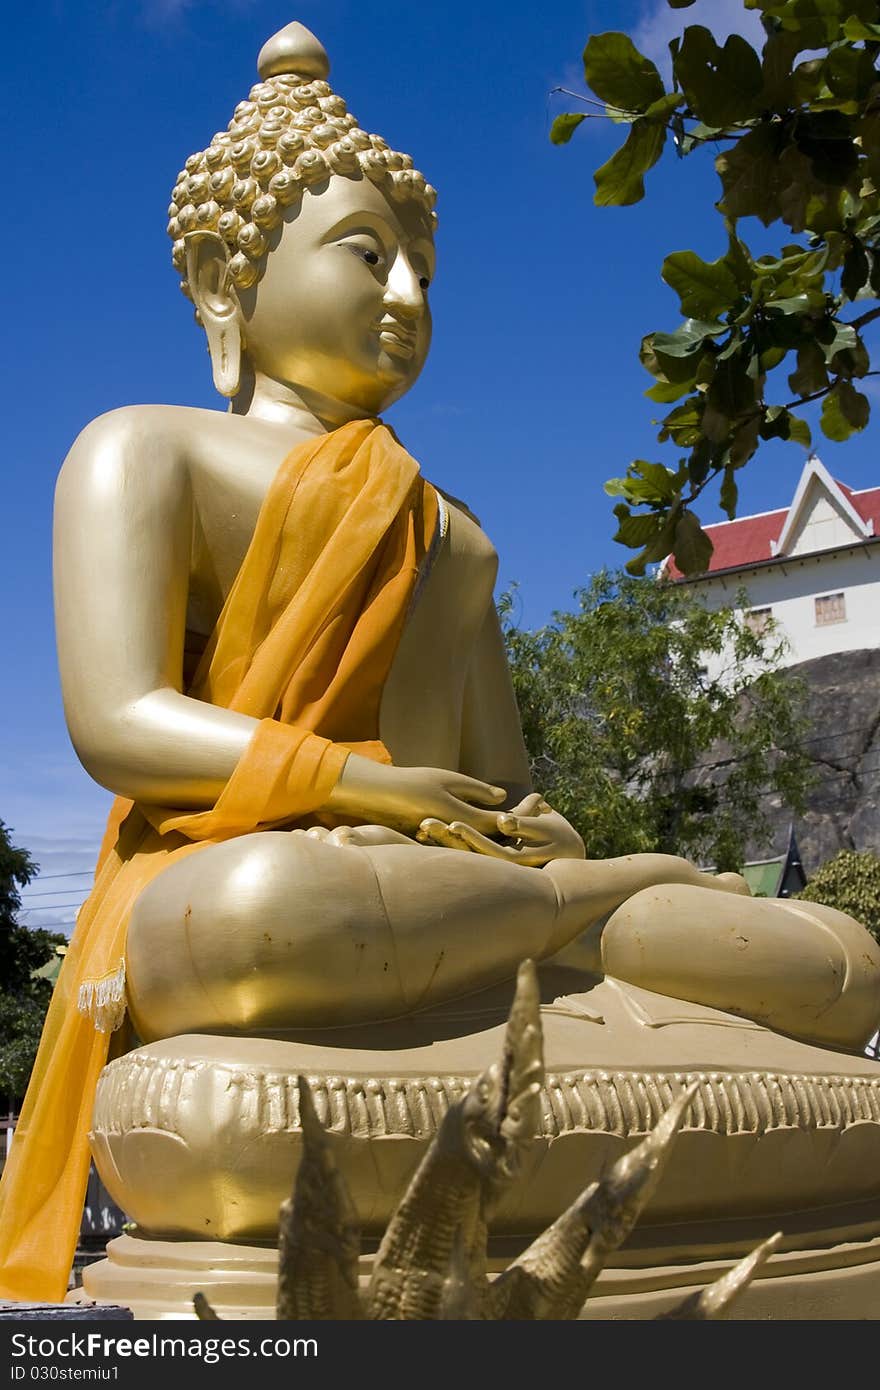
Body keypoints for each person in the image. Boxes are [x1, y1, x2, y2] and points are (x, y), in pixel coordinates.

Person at [2, 20, 878, 1303]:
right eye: (370, 257)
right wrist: (361, 792)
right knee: (243, 919)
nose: (409, 298)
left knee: (835, 960)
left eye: (424, 268)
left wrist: (535, 851)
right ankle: (577, 917)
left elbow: (499, 796)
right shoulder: (145, 452)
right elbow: (121, 721)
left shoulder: (449, 531)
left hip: (442, 895)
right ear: (220, 276)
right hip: (258, 868)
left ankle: (589, 911)